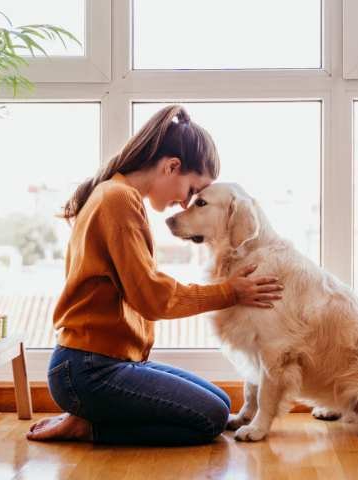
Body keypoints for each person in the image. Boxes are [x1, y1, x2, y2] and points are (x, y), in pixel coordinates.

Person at [26, 105, 284, 445]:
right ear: (171, 166)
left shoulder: (117, 193)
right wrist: (230, 292)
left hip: (105, 363)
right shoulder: (118, 199)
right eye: (192, 191)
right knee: (210, 418)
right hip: (88, 370)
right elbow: (153, 298)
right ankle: (90, 426)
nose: (184, 204)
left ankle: (92, 413)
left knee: (221, 403)